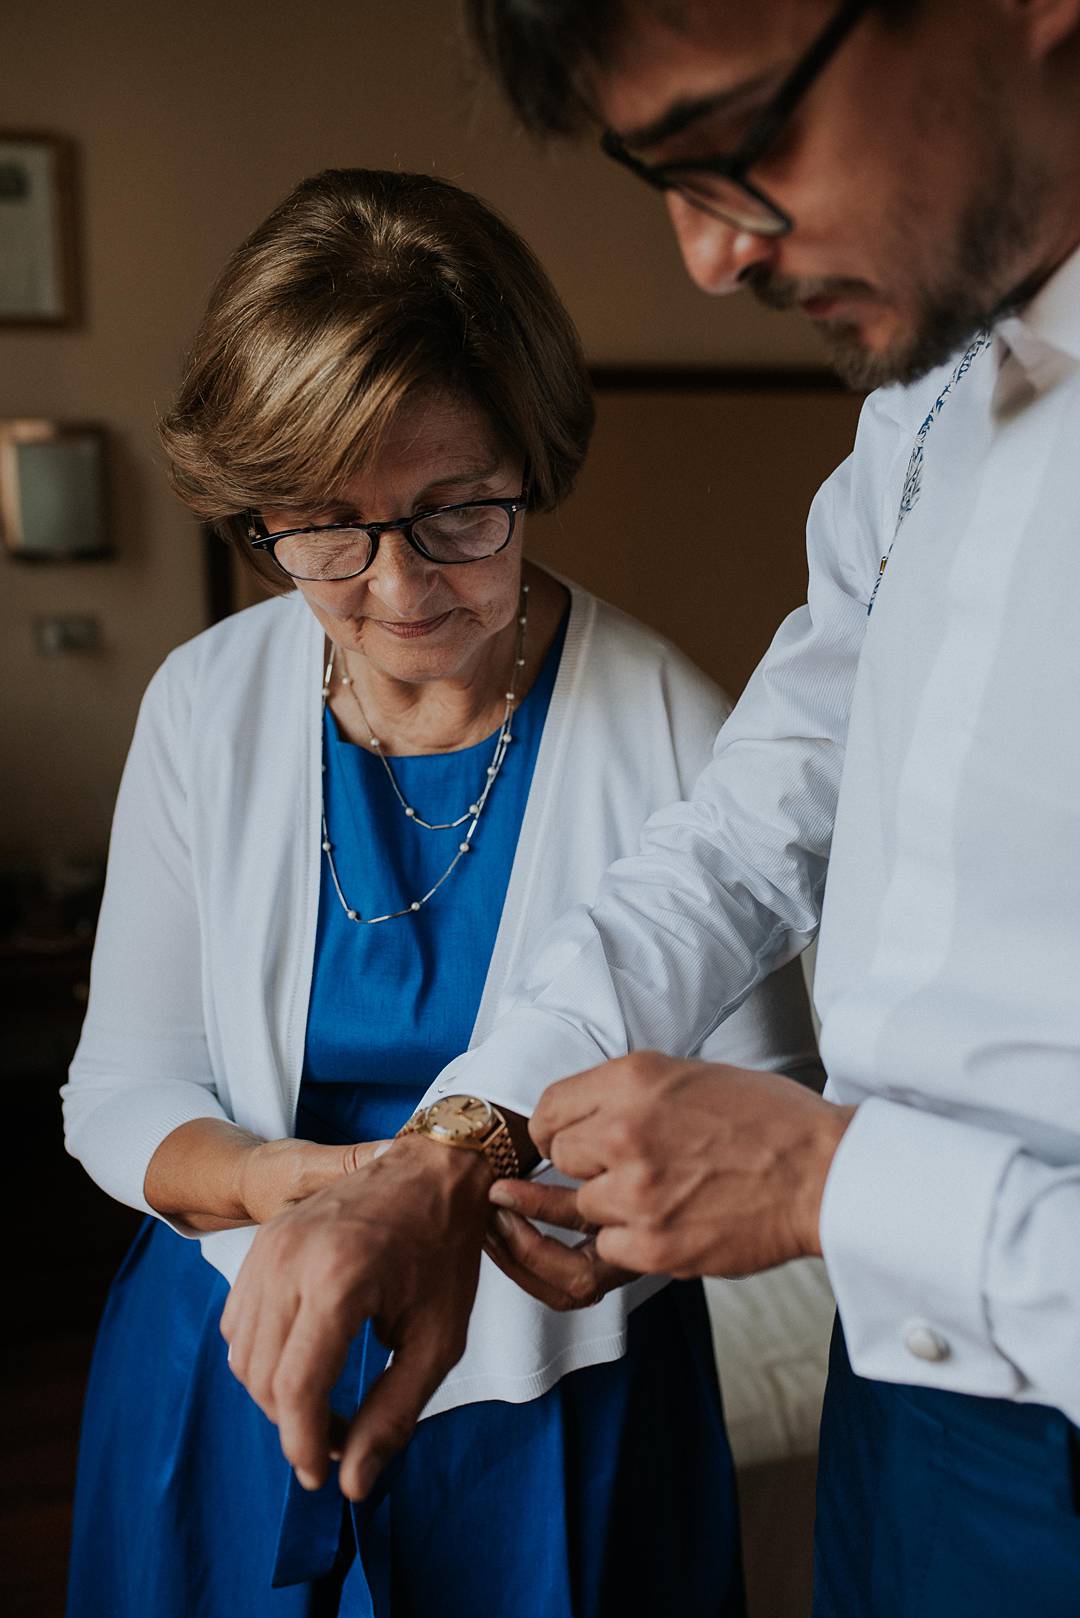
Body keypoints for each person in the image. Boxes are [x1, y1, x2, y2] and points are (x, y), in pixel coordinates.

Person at [213, 4, 1080, 1615]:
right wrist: (452, 1145)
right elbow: (754, 828)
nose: (702, 254)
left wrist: (829, 1186)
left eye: (741, 140)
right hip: (900, 1418)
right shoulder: (931, 398)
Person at [61, 166, 820, 1617]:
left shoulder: (671, 724)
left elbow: (763, 1106)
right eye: (327, 529)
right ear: (256, 509)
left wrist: (543, 1226)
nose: (399, 589)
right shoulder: (202, 706)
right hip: (228, 1358)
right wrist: (318, 1192)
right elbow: (118, 1090)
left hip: (555, 1402)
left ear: (529, 456)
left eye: (457, 512)